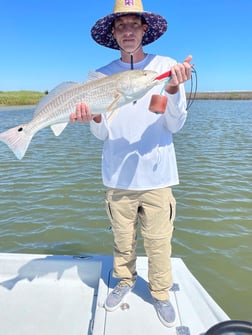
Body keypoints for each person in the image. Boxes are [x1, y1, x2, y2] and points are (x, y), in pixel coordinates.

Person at [70, 0, 192, 328]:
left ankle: (161, 292)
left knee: (159, 242)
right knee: (122, 240)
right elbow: (101, 133)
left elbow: (175, 125)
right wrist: (94, 115)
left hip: (158, 175)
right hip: (117, 177)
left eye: (133, 25)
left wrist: (174, 90)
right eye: (120, 25)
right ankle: (123, 280)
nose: (127, 31)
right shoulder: (98, 76)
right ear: (113, 33)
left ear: (144, 30)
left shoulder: (165, 66)